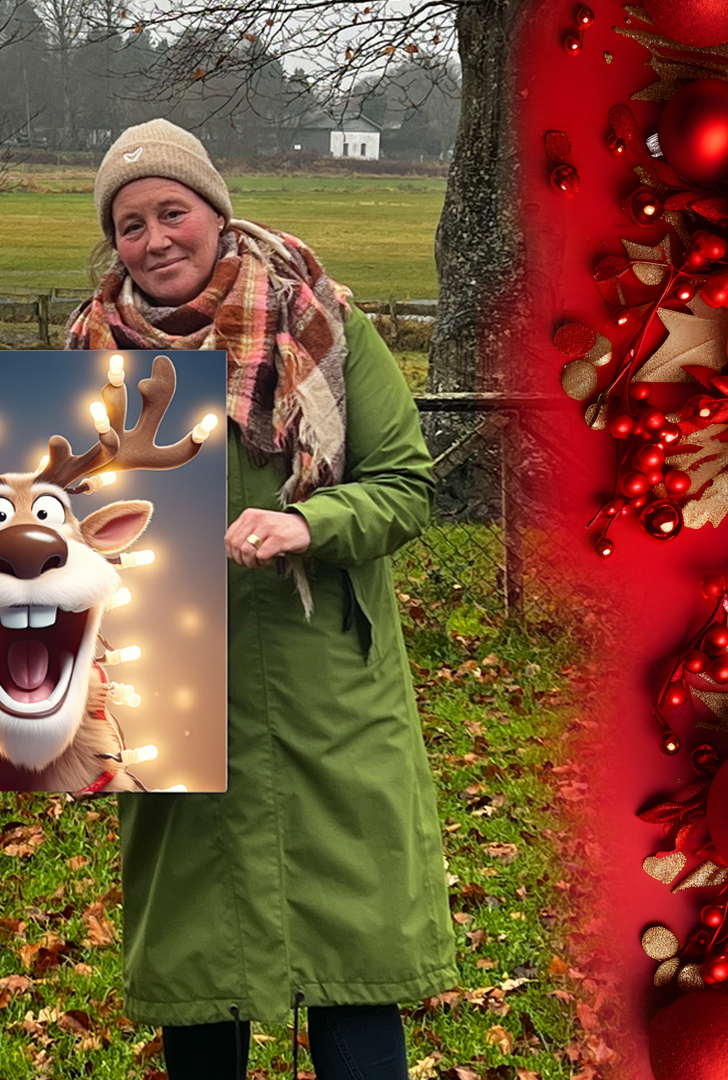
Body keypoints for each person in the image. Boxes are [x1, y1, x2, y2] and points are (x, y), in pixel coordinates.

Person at [64, 118, 457, 1080]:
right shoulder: (88, 360)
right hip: (175, 691)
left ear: (215, 212)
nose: (155, 239)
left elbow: (407, 482)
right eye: (130, 224)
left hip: (330, 694)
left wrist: (311, 524)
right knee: (204, 961)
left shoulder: (323, 324)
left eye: (173, 211)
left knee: (352, 963)